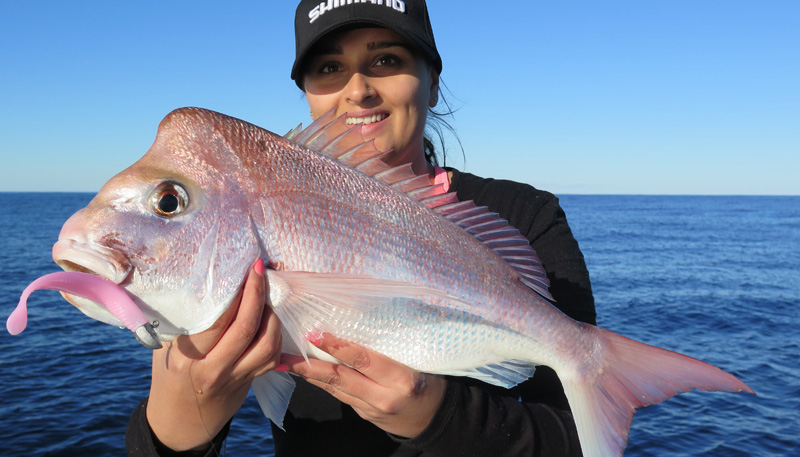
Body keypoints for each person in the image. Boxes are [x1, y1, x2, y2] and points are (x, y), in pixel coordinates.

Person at [126, 1, 596, 456]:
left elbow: (576, 441)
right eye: (329, 68)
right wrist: (177, 423)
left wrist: (439, 415)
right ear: (308, 96)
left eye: (387, 59)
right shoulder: (249, 220)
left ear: (432, 84)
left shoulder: (525, 214)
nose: (358, 90)